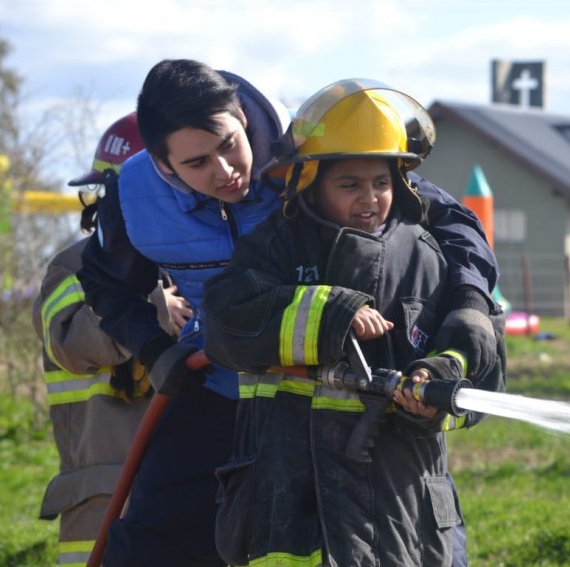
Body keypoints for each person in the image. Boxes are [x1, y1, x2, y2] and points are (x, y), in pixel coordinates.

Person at [77, 59, 500, 566]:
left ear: (242, 119)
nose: (225, 170)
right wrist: (154, 349)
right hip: (213, 388)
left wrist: (472, 304)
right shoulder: (133, 195)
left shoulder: (313, 150)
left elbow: (449, 222)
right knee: (149, 546)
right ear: (163, 164)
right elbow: (105, 283)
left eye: (229, 144)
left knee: (402, 538)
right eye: (197, 164)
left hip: (332, 399)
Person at [202, 79, 506, 566]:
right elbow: (224, 323)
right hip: (292, 505)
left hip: (403, 507)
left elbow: (483, 357)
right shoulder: (280, 245)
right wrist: (329, 313)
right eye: (350, 185)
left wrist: (439, 378)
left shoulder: (427, 255)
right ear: (311, 181)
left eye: (381, 183)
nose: (370, 198)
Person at [33, 112, 190, 566]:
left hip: (191, 485)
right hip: (107, 500)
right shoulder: (73, 266)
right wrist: (156, 309)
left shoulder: (200, 262)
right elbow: (70, 343)